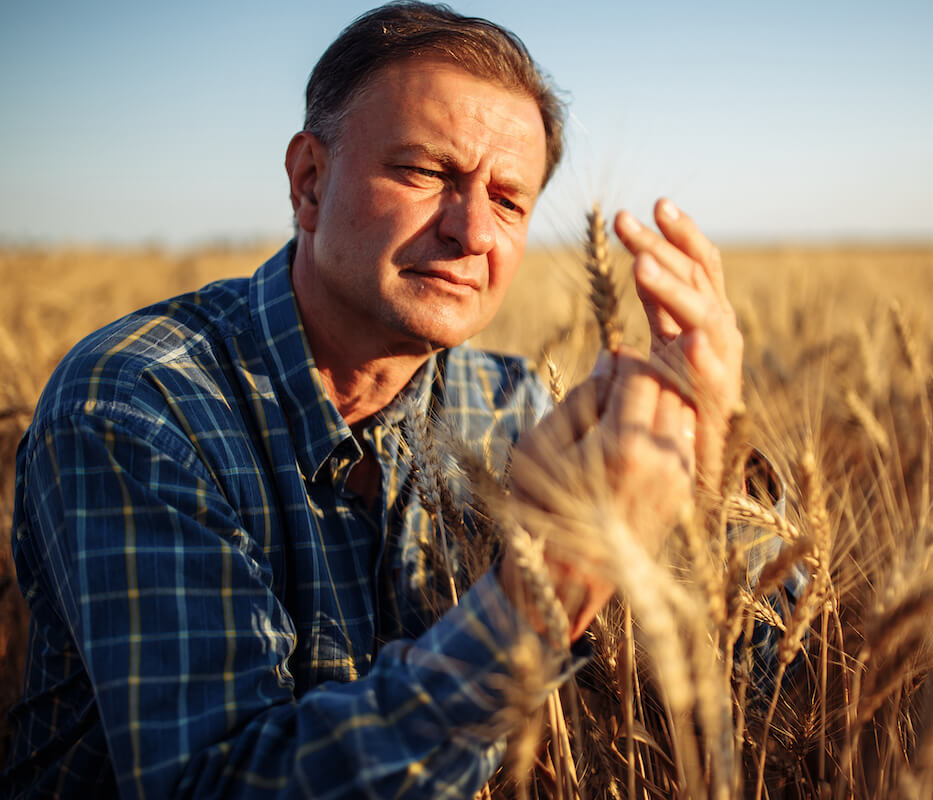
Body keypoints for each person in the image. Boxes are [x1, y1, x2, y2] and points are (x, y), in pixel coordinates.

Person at [2, 2, 746, 797]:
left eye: (509, 200)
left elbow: (766, 678)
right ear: (309, 181)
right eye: (427, 173)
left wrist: (703, 473)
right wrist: (545, 590)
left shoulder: (514, 405)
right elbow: (214, 784)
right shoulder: (140, 404)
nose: (473, 232)